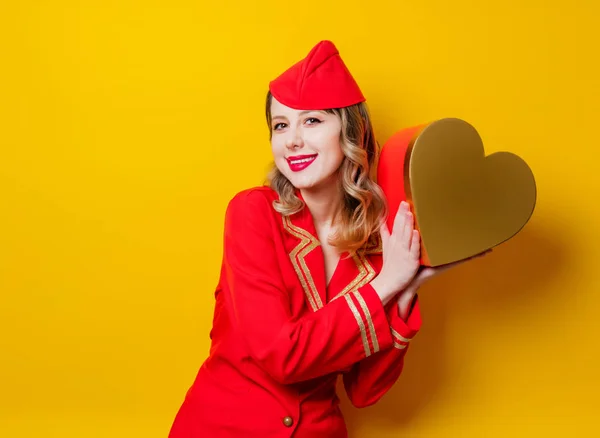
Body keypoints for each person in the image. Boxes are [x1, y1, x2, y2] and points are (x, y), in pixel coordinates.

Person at [168, 40, 483, 438]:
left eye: (312, 121)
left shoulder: (375, 243)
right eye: (281, 125)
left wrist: (406, 290)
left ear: (352, 131)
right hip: (222, 428)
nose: (292, 140)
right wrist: (387, 283)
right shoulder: (252, 213)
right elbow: (281, 355)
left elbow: (365, 391)